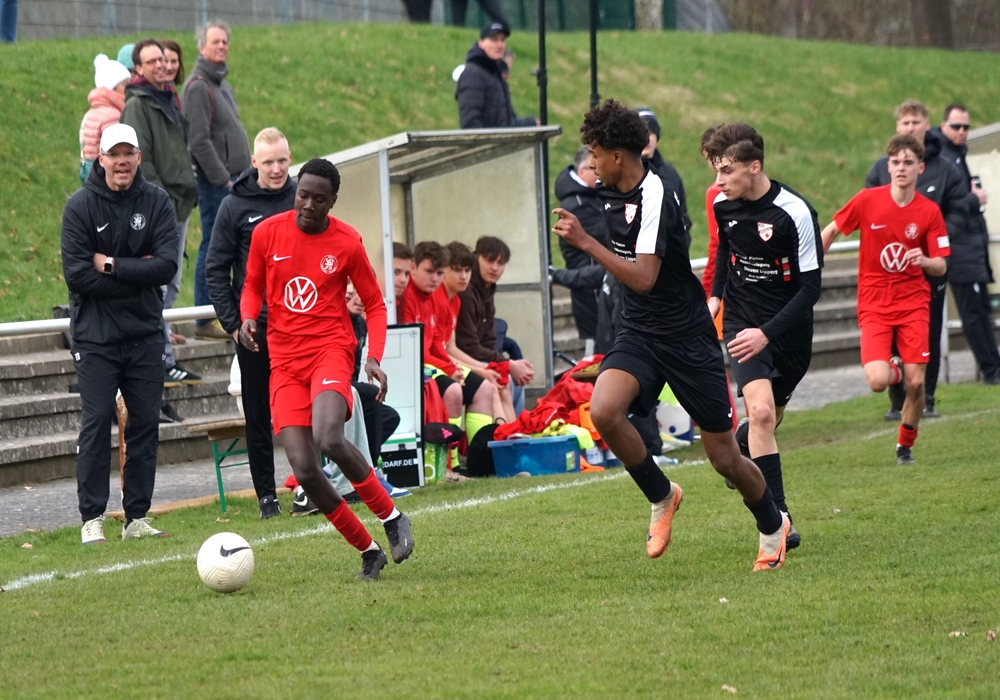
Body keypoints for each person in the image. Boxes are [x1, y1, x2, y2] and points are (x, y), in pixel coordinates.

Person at [552, 100, 789, 571]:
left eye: (594, 155)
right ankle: (662, 495)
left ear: (617, 155)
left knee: (724, 457)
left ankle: (772, 524)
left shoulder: (656, 194)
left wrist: (585, 242)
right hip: (640, 329)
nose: (589, 164)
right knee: (604, 409)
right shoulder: (607, 189)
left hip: (687, 337)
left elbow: (643, 277)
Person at [239, 158, 413, 580]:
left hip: (330, 351)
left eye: (319, 199)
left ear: (333, 201)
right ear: (295, 192)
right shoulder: (266, 233)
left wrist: (373, 356)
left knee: (329, 437)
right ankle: (368, 551)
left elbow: (374, 304)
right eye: (303, 195)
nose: (308, 205)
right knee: (304, 469)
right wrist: (246, 318)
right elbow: (252, 285)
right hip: (284, 364)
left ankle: (392, 517)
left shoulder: (347, 242)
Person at [706, 122, 823, 550]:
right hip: (742, 321)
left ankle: (742, 447)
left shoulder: (795, 212)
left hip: (788, 330)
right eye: (716, 172)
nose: (718, 182)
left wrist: (768, 334)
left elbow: (811, 289)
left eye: (726, 171)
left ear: (753, 167)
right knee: (760, 413)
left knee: (769, 418)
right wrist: (716, 299)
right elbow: (726, 249)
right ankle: (779, 518)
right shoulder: (723, 204)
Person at [61, 123, 179, 545]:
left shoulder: (157, 201)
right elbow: (77, 276)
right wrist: (137, 274)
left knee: (145, 422)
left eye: (129, 153)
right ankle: (91, 517)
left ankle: (136, 518)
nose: (122, 161)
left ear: (139, 157)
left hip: (144, 333)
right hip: (95, 338)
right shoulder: (79, 206)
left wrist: (110, 264)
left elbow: (166, 266)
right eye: (114, 154)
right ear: (102, 159)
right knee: (96, 422)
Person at [822, 135, 950, 464]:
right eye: (895, 162)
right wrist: (808, 263)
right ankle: (895, 367)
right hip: (874, 303)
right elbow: (832, 229)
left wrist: (925, 261)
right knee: (878, 381)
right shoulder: (868, 200)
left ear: (920, 168)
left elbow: (941, 265)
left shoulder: (929, 211)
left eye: (908, 162)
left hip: (913, 303)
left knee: (917, 383)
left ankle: (905, 446)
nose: (901, 168)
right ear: (888, 166)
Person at [206, 127, 296, 519]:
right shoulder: (234, 206)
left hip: (300, 327)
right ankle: (267, 496)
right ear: (255, 162)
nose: (276, 169)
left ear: (290, 159)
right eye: (269, 162)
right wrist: (233, 325)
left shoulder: (302, 197)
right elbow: (216, 269)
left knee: (302, 411)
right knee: (258, 414)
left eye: (282, 161)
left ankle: (308, 485)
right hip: (255, 329)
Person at [865, 100, 969, 419]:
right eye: (905, 123)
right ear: (898, 127)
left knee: (928, 334)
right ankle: (897, 402)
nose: (910, 128)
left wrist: (931, 245)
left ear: (927, 125)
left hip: (928, 267)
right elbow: (869, 212)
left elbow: (960, 210)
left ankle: (927, 397)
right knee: (891, 340)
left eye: (916, 122)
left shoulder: (945, 168)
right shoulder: (881, 169)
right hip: (890, 271)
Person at [121, 39, 200, 388]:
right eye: (152, 61)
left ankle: (162, 357)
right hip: (159, 209)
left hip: (179, 203)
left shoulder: (168, 97)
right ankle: (161, 360)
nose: (161, 65)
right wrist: (161, 201)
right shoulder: (138, 104)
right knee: (160, 284)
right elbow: (142, 160)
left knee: (173, 283)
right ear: (138, 68)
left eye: (164, 59)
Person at [183, 19, 251, 341]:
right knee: (212, 247)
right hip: (217, 185)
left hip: (235, 180)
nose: (222, 46)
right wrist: (223, 179)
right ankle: (204, 318)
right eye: (215, 41)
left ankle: (225, 311)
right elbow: (198, 140)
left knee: (230, 246)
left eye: (225, 41)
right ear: (201, 47)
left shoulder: (222, 84)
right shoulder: (198, 87)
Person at [403, 241, 503, 459]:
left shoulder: (440, 298)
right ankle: (451, 460)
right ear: (414, 268)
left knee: (485, 389)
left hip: (430, 362)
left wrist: (452, 366)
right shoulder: (409, 296)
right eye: (430, 272)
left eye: (439, 273)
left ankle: (479, 457)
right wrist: (450, 368)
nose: (435, 279)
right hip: (414, 366)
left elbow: (437, 344)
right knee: (454, 391)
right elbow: (417, 351)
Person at [935, 103, 1000, 384]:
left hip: (972, 244)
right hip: (959, 248)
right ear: (943, 126)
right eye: (956, 126)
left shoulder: (957, 154)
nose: (962, 131)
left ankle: (993, 368)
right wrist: (975, 199)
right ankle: (992, 371)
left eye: (966, 127)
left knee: (981, 311)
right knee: (973, 313)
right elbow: (948, 205)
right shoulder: (943, 158)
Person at [439, 241, 515, 422]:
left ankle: (515, 434)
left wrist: (488, 367)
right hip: (437, 365)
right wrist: (481, 369)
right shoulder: (446, 298)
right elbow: (439, 351)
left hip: (451, 360)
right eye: (457, 270)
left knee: (502, 383)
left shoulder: (456, 300)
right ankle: (497, 436)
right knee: (491, 386)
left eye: (467, 271)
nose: (463, 276)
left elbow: (451, 347)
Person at [455, 237, 535, 397]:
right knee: (505, 380)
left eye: (500, 263)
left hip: (477, 357)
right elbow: (468, 346)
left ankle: (516, 416)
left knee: (512, 378)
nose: (494, 268)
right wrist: (507, 363)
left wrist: (504, 364)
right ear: (476, 258)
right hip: (462, 360)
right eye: (489, 260)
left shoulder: (487, 289)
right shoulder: (466, 292)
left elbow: (489, 340)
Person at [553, 146, 610, 350]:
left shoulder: (592, 195)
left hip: (595, 281)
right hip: (590, 288)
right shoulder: (576, 205)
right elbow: (605, 236)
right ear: (581, 172)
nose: (599, 172)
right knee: (597, 351)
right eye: (594, 168)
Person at [455, 22, 536, 129]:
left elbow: (505, 124)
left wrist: (529, 123)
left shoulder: (495, 74)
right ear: (481, 43)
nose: (500, 45)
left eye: (502, 40)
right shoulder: (473, 74)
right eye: (494, 40)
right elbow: (470, 123)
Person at [637, 108, 692, 241]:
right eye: (641, 133)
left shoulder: (670, 174)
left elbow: (682, 216)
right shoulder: (622, 174)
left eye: (650, 133)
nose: (646, 139)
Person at [78, 54, 131, 183]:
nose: (129, 89)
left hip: (91, 168)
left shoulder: (95, 110)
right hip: (105, 173)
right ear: (113, 87)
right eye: (125, 85)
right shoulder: (112, 115)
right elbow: (117, 149)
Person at [392, 241, 413, 321]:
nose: (403, 280)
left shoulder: (401, 302)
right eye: (396, 272)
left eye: (407, 274)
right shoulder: (363, 305)